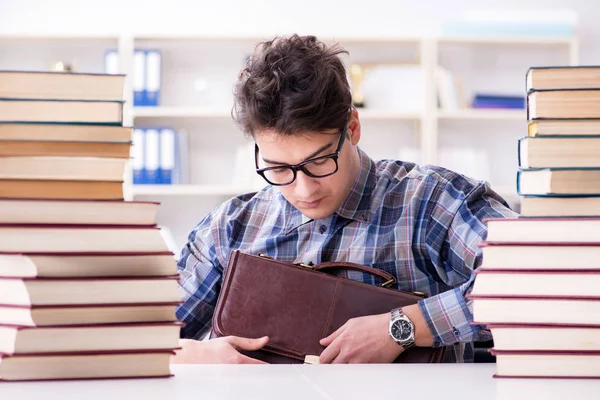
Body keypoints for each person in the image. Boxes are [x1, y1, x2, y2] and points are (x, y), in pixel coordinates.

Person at [172, 34, 518, 364]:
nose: (304, 190)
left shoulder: (432, 202)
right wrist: (193, 356)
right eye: (278, 168)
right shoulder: (228, 229)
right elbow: (143, 338)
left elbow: (535, 275)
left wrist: (403, 328)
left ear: (352, 127)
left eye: (320, 161)